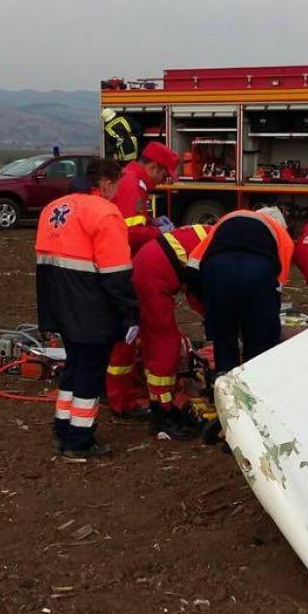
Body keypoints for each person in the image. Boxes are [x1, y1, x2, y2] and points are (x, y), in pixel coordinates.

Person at [35, 158, 138, 458]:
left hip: (58, 307)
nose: (117, 193)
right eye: (116, 186)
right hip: (91, 309)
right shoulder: (106, 213)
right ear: (106, 183)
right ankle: (79, 442)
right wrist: (130, 314)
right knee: (90, 375)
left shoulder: (53, 209)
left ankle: (62, 430)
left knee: (73, 369)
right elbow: (117, 275)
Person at [105, 141, 179, 416]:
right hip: (123, 268)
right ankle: (121, 401)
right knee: (127, 336)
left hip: (121, 266)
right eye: (163, 175)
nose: (163, 181)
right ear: (153, 166)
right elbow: (128, 232)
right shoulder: (133, 185)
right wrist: (159, 234)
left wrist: (151, 225)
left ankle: (120, 393)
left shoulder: (131, 181)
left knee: (128, 335)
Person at [186, 207, 293, 375]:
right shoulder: (282, 234)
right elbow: (277, 287)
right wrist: (268, 325)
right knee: (258, 340)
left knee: (224, 338)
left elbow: (193, 265)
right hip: (258, 273)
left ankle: (224, 382)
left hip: (217, 271)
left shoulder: (226, 219)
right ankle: (254, 380)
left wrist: (209, 304)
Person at [133, 223, 212, 439]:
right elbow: (203, 289)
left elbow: (197, 289)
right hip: (155, 271)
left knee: (155, 340)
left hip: (152, 262)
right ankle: (162, 418)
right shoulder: (225, 248)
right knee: (165, 343)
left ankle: (162, 408)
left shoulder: (219, 234)